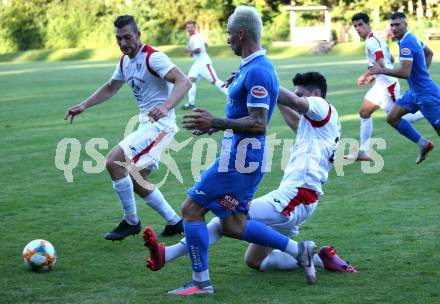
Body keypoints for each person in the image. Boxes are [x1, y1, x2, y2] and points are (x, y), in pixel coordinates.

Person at [143, 6, 319, 296]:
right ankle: (299, 251)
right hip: (241, 157)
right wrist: (215, 126)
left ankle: (201, 282)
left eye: (228, 35)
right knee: (234, 224)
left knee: (191, 210)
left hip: (240, 159)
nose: (226, 41)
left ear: (240, 34)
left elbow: (259, 123)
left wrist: (216, 121)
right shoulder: (252, 67)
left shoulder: (259, 70)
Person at [143, 72, 357, 275]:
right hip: (300, 199)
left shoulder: (321, 105)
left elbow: (295, 102)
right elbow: (293, 119)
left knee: (229, 220)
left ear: (316, 94)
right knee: (255, 261)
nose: (297, 97)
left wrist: (258, 80)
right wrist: (266, 90)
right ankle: (319, 258)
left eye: (300, 93)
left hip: (297, 196)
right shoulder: (316, 125)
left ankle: (167, 254)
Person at [64, 15, 191, 240]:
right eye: (118, 39)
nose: (123, 43)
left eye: (127, 37)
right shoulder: (125, 62)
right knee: (136, 179)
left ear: (138, 35)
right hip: (148, 125)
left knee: (114, 162)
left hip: (160, 127)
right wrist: (84, 105)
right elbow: (111, 87)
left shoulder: (154, 58)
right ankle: (175, 222)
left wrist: (166, 105)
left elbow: (184, 81)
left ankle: (131, 221)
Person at [348, 13, 423, 161]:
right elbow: (391, 59)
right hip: (382, 83)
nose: (358, 28)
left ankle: (429, 108)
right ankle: (364, 152)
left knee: (405, 117)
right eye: (355, 26)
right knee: (364, 113)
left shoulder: (371, 42)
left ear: (368, 24)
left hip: (387, 85)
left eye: (360, 24)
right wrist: (373, 75)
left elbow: (381, 63)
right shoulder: (377, 38)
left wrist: (365, 76)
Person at [369, 12, 440, 164]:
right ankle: (423, 143)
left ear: (405, 24)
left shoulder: (407, 43)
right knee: (392, 117)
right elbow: (429, 53)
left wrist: (380, 70)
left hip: (427, 95)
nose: (394, 28)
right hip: (415, 93)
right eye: (392, 25)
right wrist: (421, 74)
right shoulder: (409, 38)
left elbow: (404, 72)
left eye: (398, 25)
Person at [181, 20, 228, 109]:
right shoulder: (197, 35)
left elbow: (198, 50)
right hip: (198, 63)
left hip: (204, 63)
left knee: (215, 81)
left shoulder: (195, 37)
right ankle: (191, 103)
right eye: (188, 27)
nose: (189, 29)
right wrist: (194, 51)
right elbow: (205, 44)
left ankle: (232, 96)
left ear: (195, 27)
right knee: (190, 81)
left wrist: (189, 50)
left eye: (191, 27)